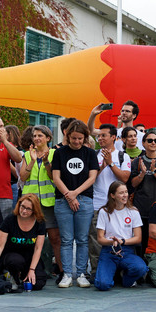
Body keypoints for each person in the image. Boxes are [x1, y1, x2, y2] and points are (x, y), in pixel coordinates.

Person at [51, 120, 99, 288]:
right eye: (74, 138)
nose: (77, 142)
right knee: (65, 239)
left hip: (84, 199)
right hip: (63, 200)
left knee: (82, 239)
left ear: (85, 138)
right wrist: (69, 196)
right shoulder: (59, 153)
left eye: (80, 138)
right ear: (67, 136)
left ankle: (80, 273)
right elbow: (56, 177)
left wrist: (75, 194)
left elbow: (92, 177)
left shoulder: (90, 154)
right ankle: (66, 274)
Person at [20, 124, 62, 280]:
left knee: (55, 238)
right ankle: (28, 270)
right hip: (30, 203)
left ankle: (61, 270)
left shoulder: (54, 154)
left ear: (48, 138)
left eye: (40, 136)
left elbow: (54, 177)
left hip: (49, 202)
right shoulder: (26, 154)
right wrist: (31, 160)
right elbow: (23, 177)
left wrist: (45, 162)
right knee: (29, 238)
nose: (36, 138)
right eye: (34, 136)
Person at [91, 124, 131, 279]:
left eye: (103, 135)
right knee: (95, 239)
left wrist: (111, 163)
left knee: (117, 236)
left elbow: (125, 178)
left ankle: (118, 271)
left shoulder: (123, 155)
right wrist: (102, 165)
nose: (100, 138)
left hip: (118, 206)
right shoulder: (94, 155)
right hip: (97, 203)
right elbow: (91, 178)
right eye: (99, 136)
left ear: (113, 137)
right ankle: (95, 271)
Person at [94, 181, 148, 290]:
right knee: (102, 285)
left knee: (141, 268)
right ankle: (112, 274)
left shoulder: (133, 212)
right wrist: (111, 242)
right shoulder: (104, 212)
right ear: (112, 195)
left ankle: (125, 280)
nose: (125, 195)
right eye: (121, 193)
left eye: (126, 192)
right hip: (109, 250)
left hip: (126, 250)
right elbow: (100, 238)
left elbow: (138, 238)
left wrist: (122, 241)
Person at [0, 194, 47, 291]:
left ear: (34, 210)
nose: (24, 211)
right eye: (22, 206)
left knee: (38, 283)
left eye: (28, 209)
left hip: (29, 256)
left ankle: (22, 277)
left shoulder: (39, 222)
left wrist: (32, 270)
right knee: (15, 261)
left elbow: (38, 248)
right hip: (12, 255)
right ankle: (10, 274)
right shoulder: (10, 219)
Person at [129, 131, 156, 256]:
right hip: (141, 207)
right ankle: (141, 268)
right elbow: (133, 183)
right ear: (143, 143)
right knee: (141, 242)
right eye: (149, 140)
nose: (153, 143)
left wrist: (154, 171)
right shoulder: (137, 161)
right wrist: (142, 174)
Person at [5, 125, 23, 209]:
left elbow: (18, 174)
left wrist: (7, 162)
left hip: (14, 185)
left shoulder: (20, 152)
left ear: (9, 134)